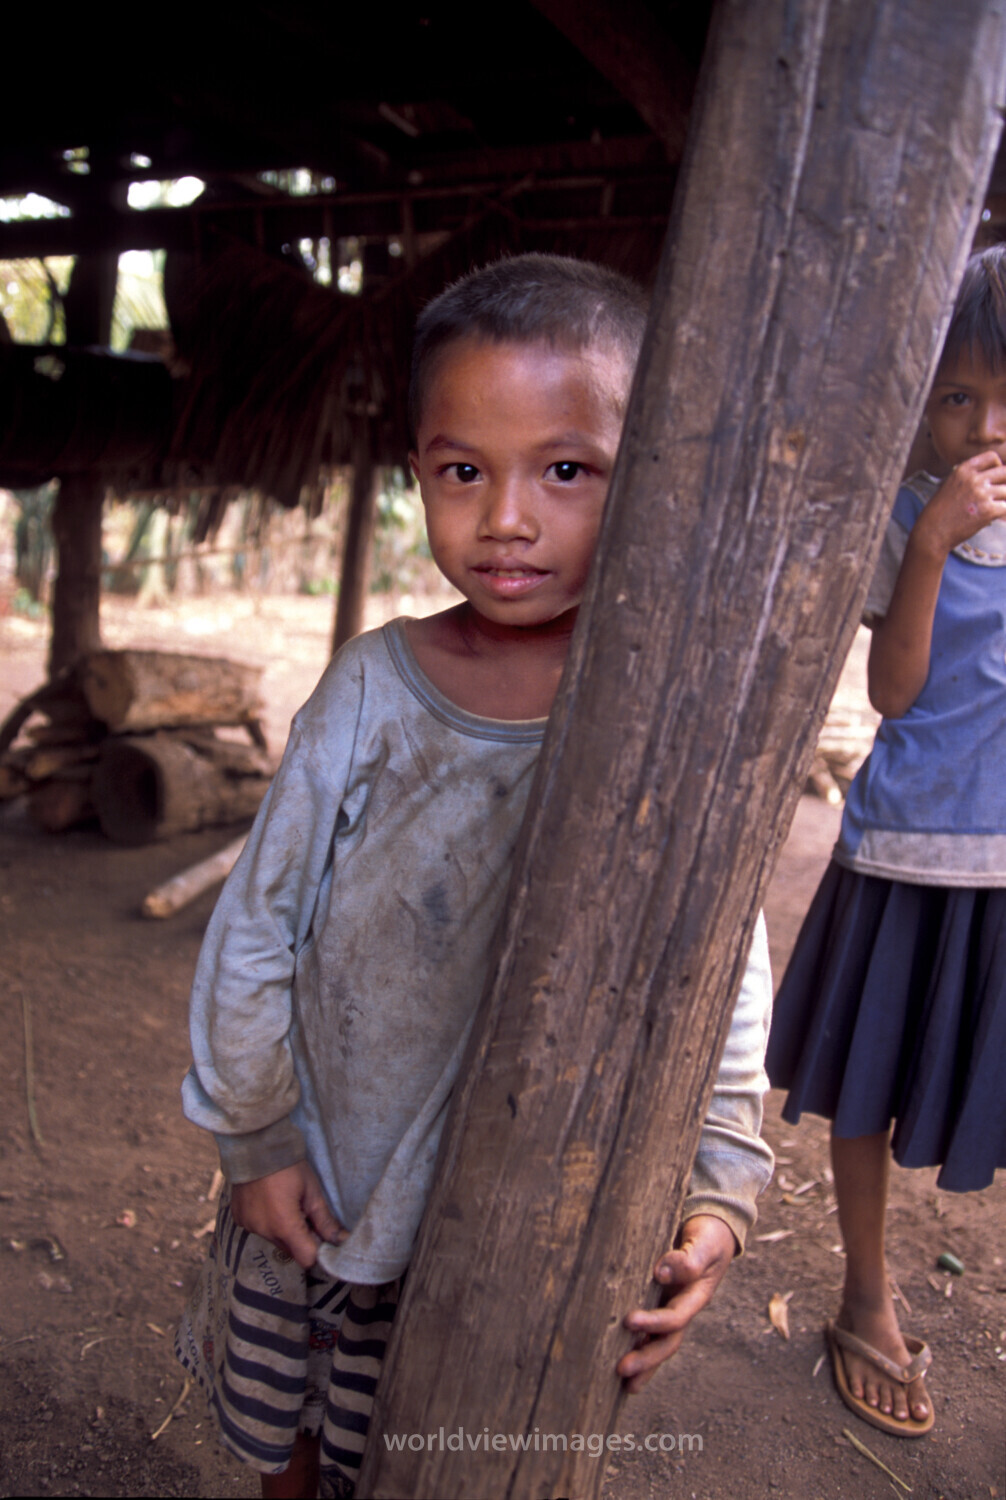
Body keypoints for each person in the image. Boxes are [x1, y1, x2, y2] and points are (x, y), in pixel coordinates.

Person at [175, 253, 775, 1499]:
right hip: (322, 1193)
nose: (506, 516)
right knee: (293, 1448)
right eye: (464, 471)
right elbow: (255, 933)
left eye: (566, 470)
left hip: (515, 1237)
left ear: (649, 474)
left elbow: (721, 981)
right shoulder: (368, 694)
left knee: (447, 1460)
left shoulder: (665, 725)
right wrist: (254, 1135)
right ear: (417, 481)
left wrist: (718, 1191)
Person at [767, 244, 1006, 1440]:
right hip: (907, 851)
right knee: (864, 1085)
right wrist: (928, 548)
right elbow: (897, 691)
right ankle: (865, 1289)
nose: (981, 427)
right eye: (956, 396)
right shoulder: (906, 516)